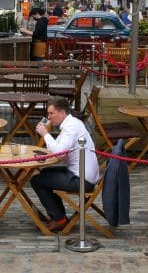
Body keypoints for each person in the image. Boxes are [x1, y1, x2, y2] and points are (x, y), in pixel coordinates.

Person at [31, 97, 99, 232]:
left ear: (62, 113)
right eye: (48, 114)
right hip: (80, 173)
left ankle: (59, 219)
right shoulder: (71, 124)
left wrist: (45, 134)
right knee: (45, 173)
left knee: (37, 181)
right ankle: (59, 216)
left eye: (51, 113)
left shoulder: (71, 127)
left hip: (82, 180)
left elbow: (60, 153)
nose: (49, 117)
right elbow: (61, 150)